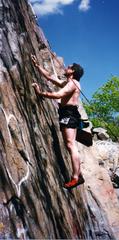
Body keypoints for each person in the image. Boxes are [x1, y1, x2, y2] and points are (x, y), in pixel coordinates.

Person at [31, 55, 85, 189]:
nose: (66, 67)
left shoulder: (73, 84)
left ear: (73, 71)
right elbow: (50, 77)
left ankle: (75, 177)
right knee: (69, 145)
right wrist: (37, 66)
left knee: (70, 144)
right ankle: (79, 174)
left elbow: (59, 95)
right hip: (66, 113)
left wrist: (40, 93)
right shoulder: (68, 83)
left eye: (69, 67)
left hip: (69, 114)